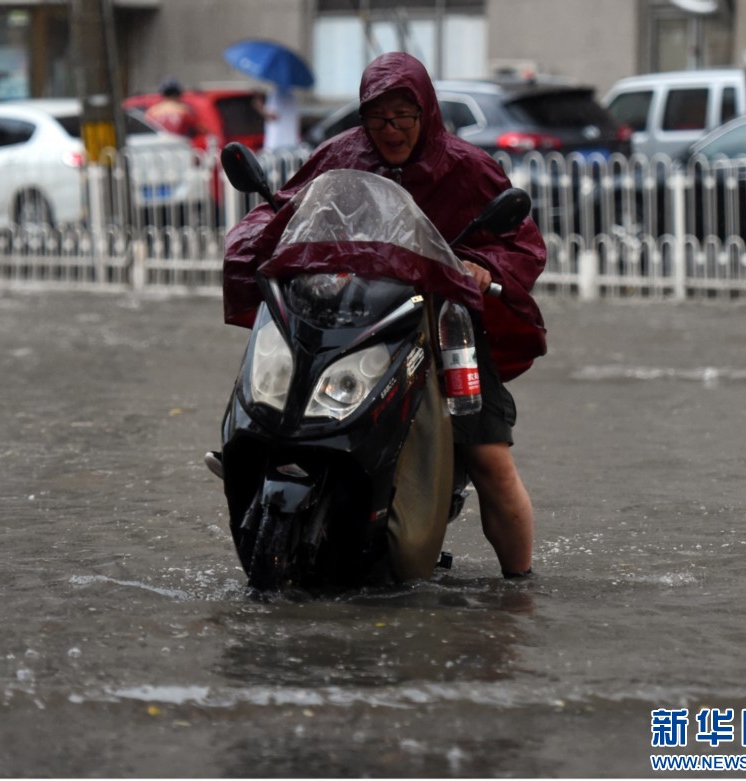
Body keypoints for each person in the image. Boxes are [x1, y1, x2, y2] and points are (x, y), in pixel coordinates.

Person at [219, 52, 547, 579]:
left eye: (403, 116)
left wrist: (482, 266)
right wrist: (254, 245)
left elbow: (519, 242)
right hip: (351, 322)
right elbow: (286, 209)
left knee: (489, 458)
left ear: (426, 112)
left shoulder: (466, 166)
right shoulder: (339, 155)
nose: (390, 130)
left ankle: (520, 586)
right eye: (377, 117)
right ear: (363, 115)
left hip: (443, 321)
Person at [256, 86, 300, 151]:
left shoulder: (275, 95)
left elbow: (274, 116)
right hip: (291, 141)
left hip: (276, 142)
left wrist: (260, 107)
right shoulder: (292, 96)